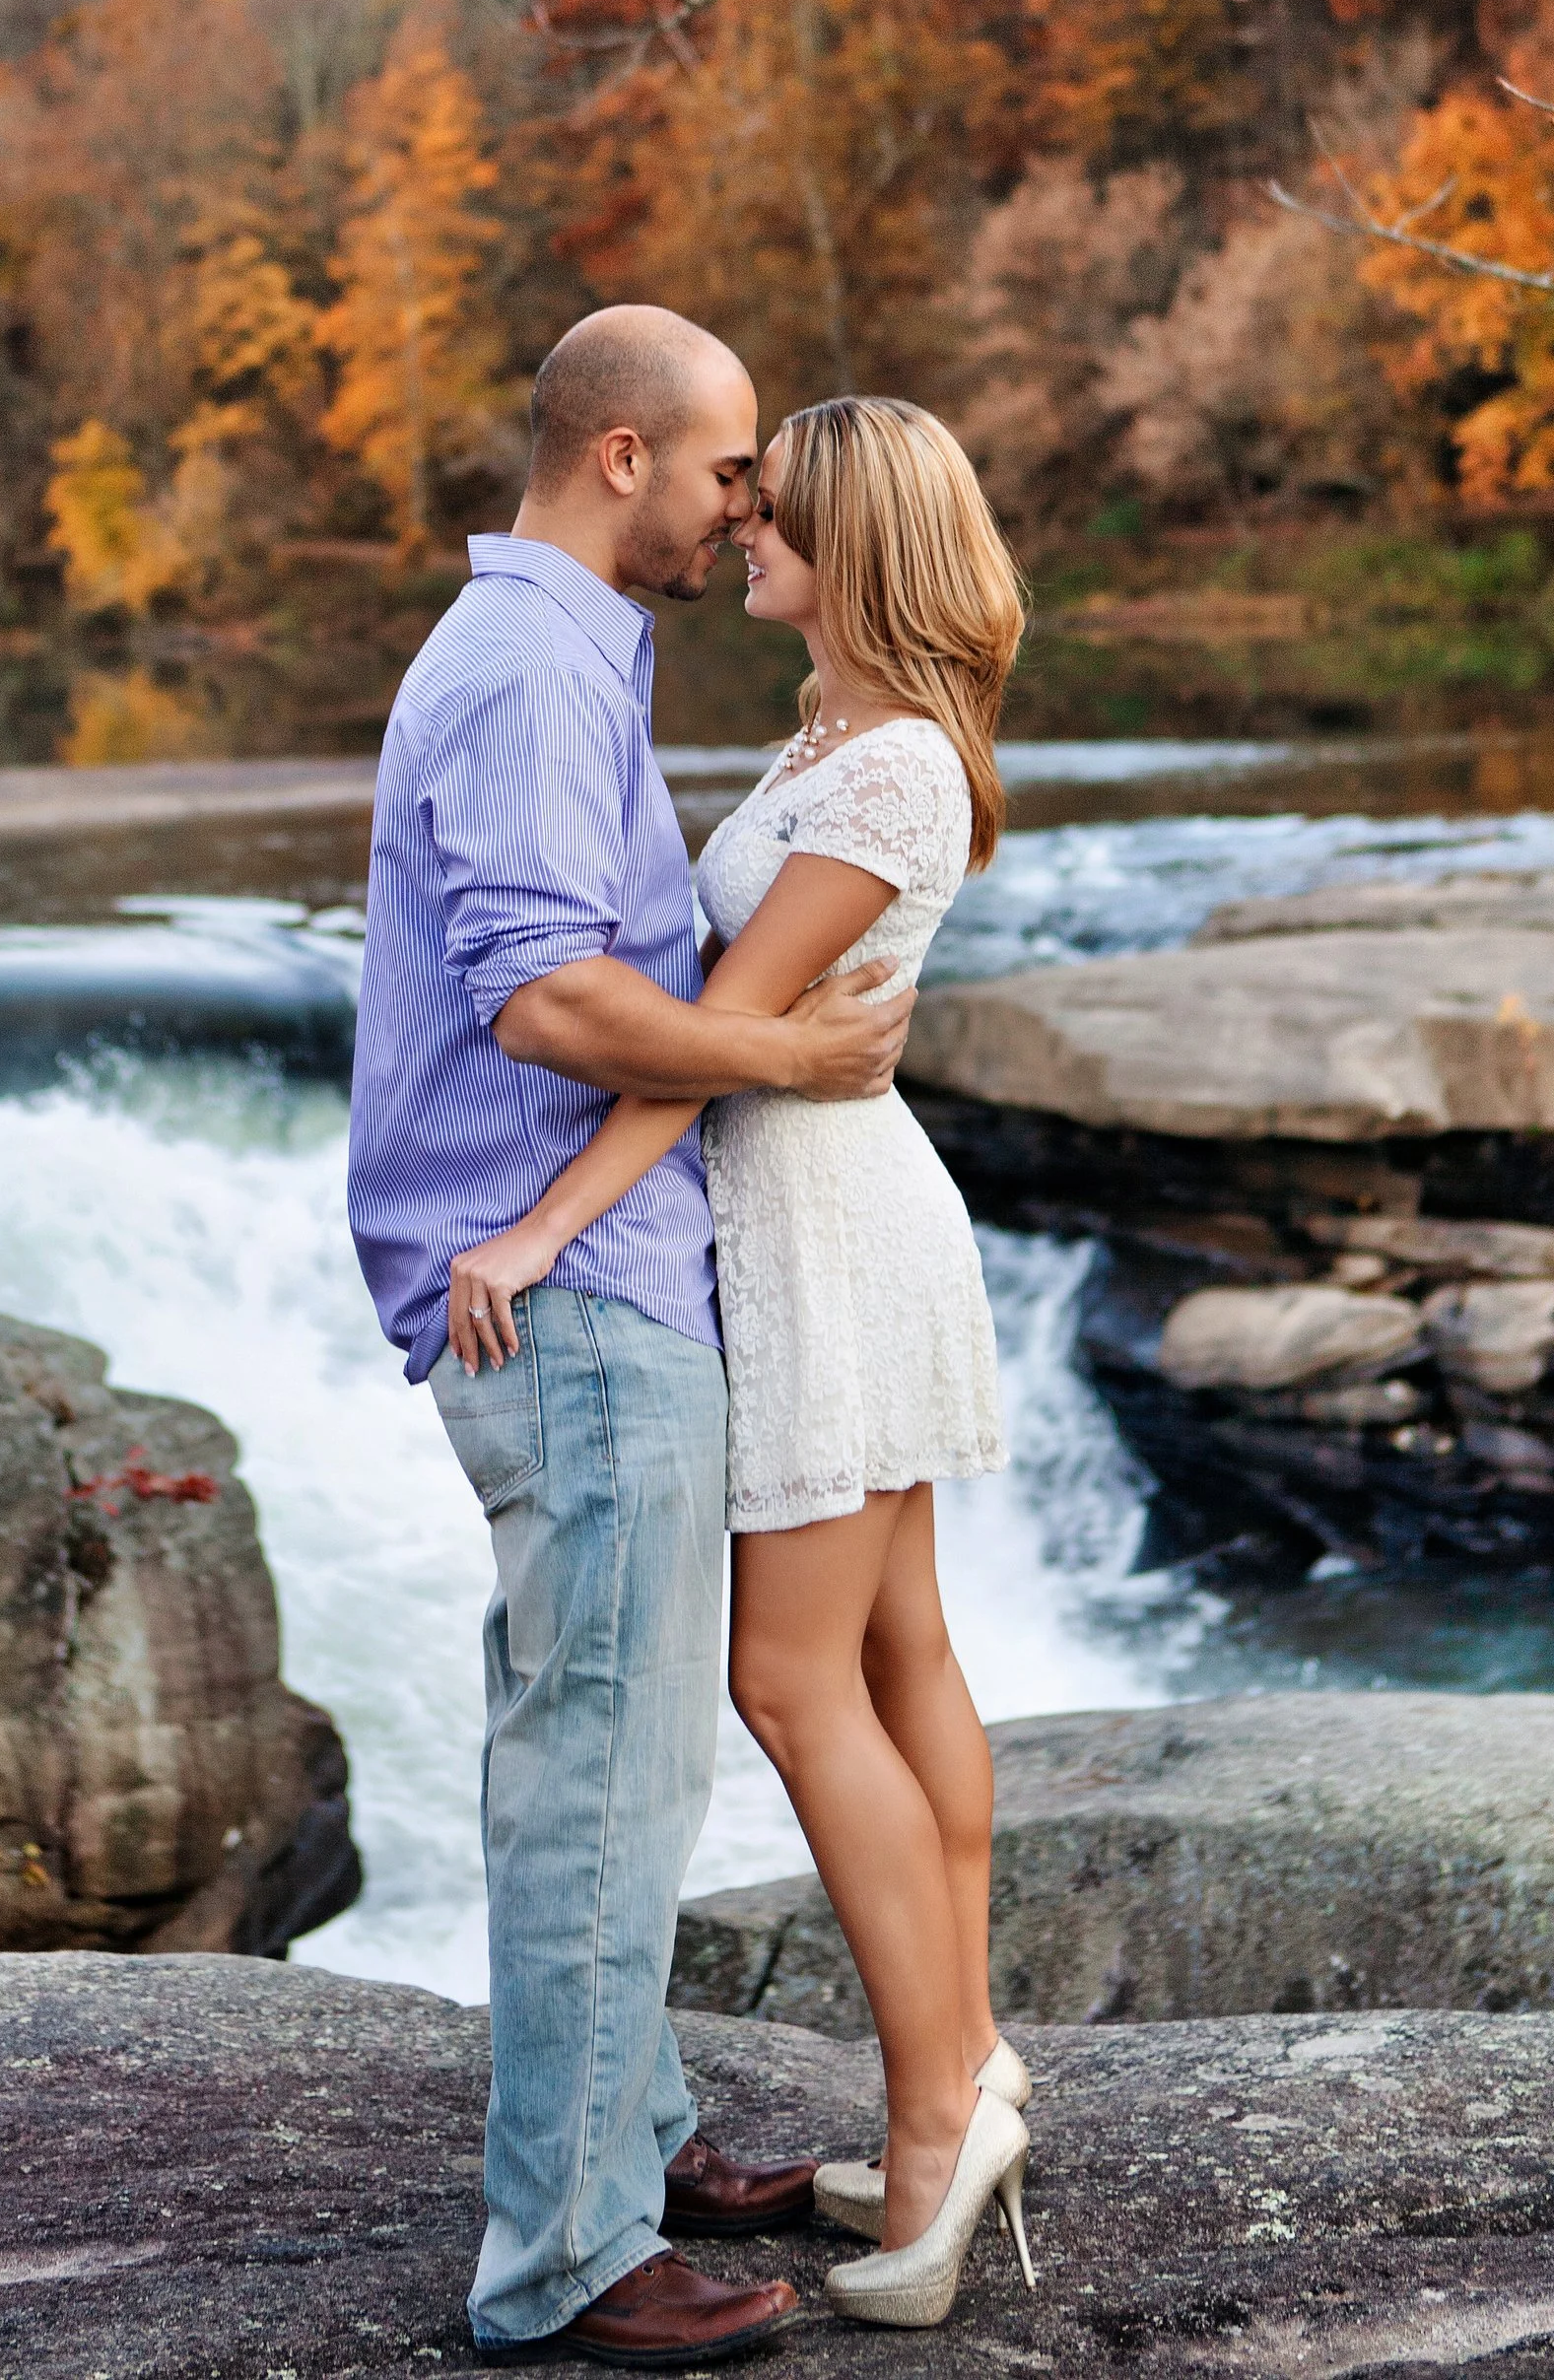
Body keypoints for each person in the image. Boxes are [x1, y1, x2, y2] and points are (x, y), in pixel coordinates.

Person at [348, 307, 919, 2368]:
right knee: (599, 1769)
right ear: (616, 461)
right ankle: (567, 2258)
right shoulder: (516, 664)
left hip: (595, 1276)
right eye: (721, 467)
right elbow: (540, 1000)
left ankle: (629, 2139)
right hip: (564, 1297)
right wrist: (780, 1046)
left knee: (614, 1755)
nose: (741, 498)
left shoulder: (579, 646)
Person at [447, 393, 1034, 2336]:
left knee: (792, 1681)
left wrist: (537, 1229)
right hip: (822, 1209)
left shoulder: (883, 780)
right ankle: (955, 2080)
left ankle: (945, 2119)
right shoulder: (838, 736)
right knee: (897, 1658)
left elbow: (718, 1032)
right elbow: (737, 1033)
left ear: (846, 543)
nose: (738, 532)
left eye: (769, 510)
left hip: (816, 1234)